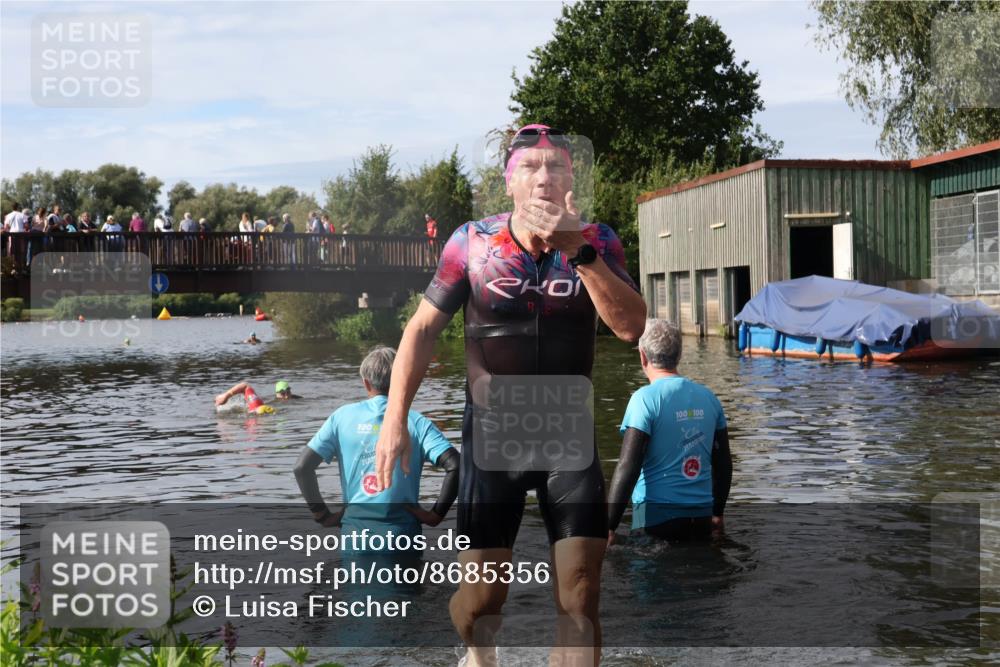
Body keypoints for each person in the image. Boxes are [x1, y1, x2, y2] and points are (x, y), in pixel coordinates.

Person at [374, 124, 646, 666]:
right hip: (492, 437)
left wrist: (582, 254)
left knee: (581, 595)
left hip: (567, 432)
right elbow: (422, 331)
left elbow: (632, 328)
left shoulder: (600, 239)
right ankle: (477, 653)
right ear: (509, 181)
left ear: (573, 177)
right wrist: (394, 419)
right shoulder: (472, 242)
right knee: (481, 603)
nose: (545, 178)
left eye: (557, 167)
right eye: (531, 167)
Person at [294, 346, 459, 539]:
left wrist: (322, 516)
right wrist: (435, 515)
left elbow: (302, 467)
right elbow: (456, 465)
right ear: (401, 379)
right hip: (403, 537)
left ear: (366, 383)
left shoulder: (341, 418)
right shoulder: (416, 422)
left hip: (355, 537)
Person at [606, 320, 733, 545]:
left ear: (642, 356)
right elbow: (723, 463)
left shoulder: (644, 399)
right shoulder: (709, 398)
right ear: (679, 354)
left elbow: (628, 466)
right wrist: (717, 513)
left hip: (654, 518)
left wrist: (608, 526)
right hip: (701, 517)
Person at [214, 379, 301, 415]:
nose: (286, 396)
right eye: (282, 393)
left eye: (288, 392)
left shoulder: (297, 399)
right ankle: (221, 397)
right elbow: (245, 385)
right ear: (277, 394)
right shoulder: (257, 404)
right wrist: (226, 396)